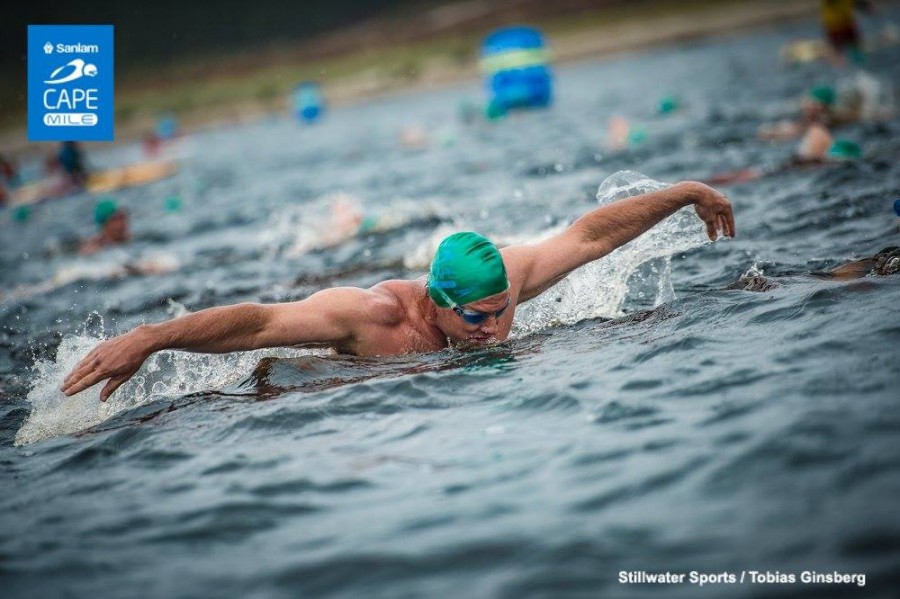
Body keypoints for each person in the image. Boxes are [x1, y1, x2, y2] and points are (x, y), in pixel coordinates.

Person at [61, 181, 736, 401]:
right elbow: (260, 322)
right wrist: (149, 338)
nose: (493, 329)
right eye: (475, 316)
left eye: (503, 312)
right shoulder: (371, 316)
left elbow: (589, 236)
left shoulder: (503, 283)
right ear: (435, 301)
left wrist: (686, 194)